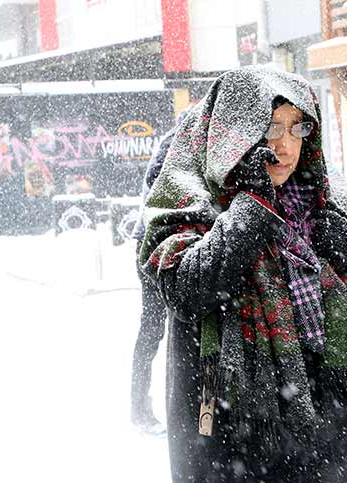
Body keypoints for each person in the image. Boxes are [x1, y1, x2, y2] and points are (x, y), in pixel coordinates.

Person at [138, 66, 347, 482]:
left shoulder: (324, 197)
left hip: (323, 414)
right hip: (227, 413)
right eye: (272, 127)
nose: (286, 145)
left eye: (298, 127)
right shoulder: (191, 198)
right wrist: (251, 206)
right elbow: (187, 292)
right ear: (238, 131)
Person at [130, 110, 189, 433]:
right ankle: (140, 410)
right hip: (154, 247)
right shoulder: (173, 147)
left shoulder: (181, 145)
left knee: (166, 331)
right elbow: (158, 195)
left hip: (167, 245)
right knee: (154, 330)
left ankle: (170, 410)